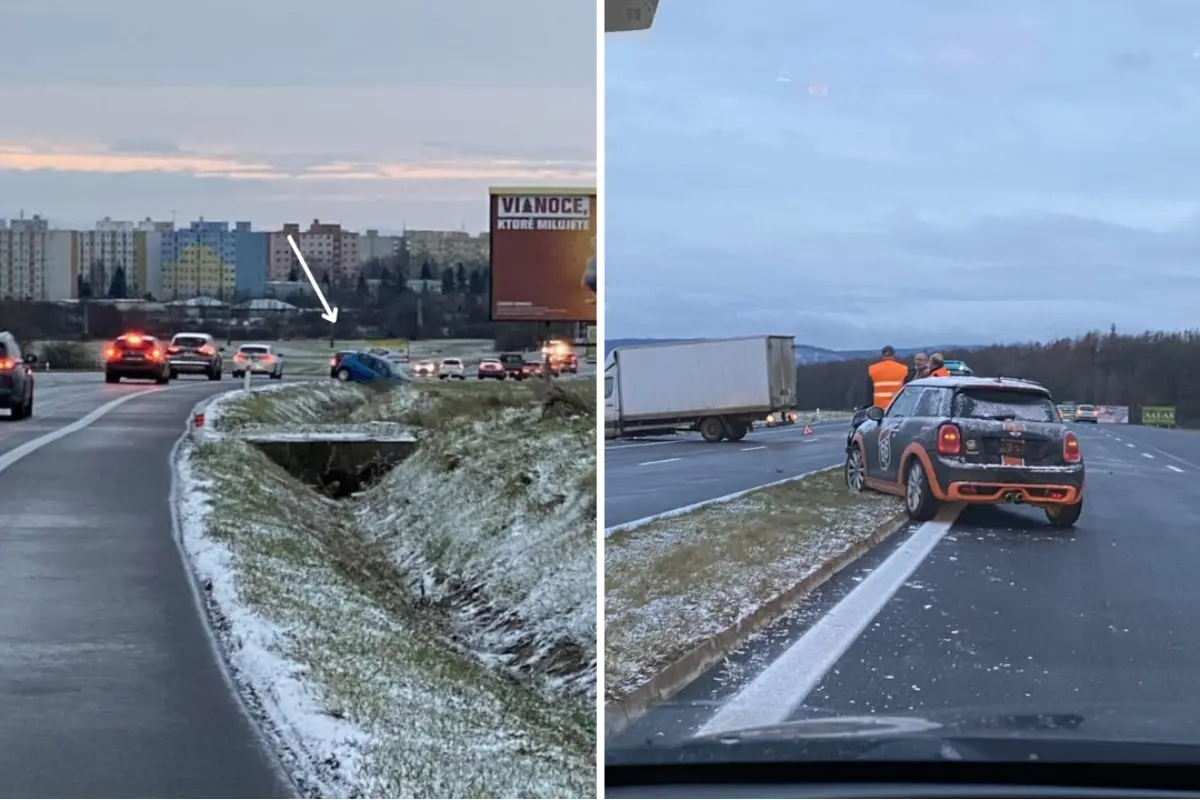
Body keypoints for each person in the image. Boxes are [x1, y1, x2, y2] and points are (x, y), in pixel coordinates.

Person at [866, 345, 909, 409]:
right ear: (894, 355)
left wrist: (869, 407)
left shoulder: (873, 369)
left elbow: (869, 392)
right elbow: (907, 391)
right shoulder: (903, 369)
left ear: (882, 356)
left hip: (878, 409)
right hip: (897, 407)